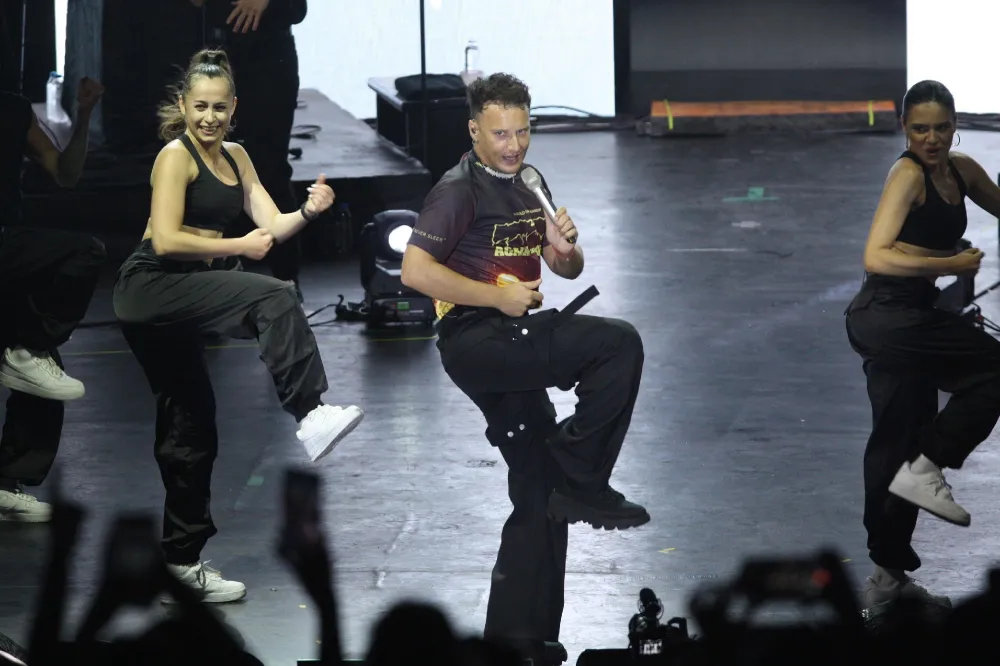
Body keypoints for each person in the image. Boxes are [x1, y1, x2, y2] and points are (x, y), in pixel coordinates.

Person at [400, 73, 650, 665]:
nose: (513, 145)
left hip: (514, 334)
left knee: (539, 491)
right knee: (618, 345)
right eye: (500, 134)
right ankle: (581, 474)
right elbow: (414, 271)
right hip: (476, 337)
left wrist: (566, 252)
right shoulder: (458, 190)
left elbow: (564, 268)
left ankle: (518, 641)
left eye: (521, 131)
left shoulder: (529, 182)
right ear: (474, 131)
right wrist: (496, 297)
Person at [111, 48, 363, 602]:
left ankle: (181, 561)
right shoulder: (174, 157)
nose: (209, 118)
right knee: (274, 295)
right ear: (183, 105)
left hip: (186, 292)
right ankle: (310, 412)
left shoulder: (238, 157)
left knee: (191, 427)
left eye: (219, 108)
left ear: (233, 108)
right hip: (151, 286)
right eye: (200, 107)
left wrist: (310, 211)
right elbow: (165, 240)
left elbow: (270, 226)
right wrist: (238, 247)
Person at [845, 79, 1000, 609]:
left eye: (941, 128)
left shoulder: (962, 171)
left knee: (899, 440)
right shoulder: (907, 176)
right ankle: (928, 468)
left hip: (914, 314)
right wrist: (949, 263)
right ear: (904, 129)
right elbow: (876, 255)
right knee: (987, 374)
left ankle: (887, 584)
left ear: (955, 127)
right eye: (920, 129)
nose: (931, 139)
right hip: (885, 317)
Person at [0, 76, 106, 522]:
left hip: (8, 249)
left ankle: (5, 483)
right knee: (84, 251)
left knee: (45, 377)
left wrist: (83, 115)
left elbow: (66, 173)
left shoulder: (13, 109)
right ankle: (26, 347)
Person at [193, 0, 307, 300]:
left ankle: (287, 279)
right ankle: (215, 280)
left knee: (271, 170)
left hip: (270, 65)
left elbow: (297, 9)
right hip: (216, 61)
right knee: (210, 170)